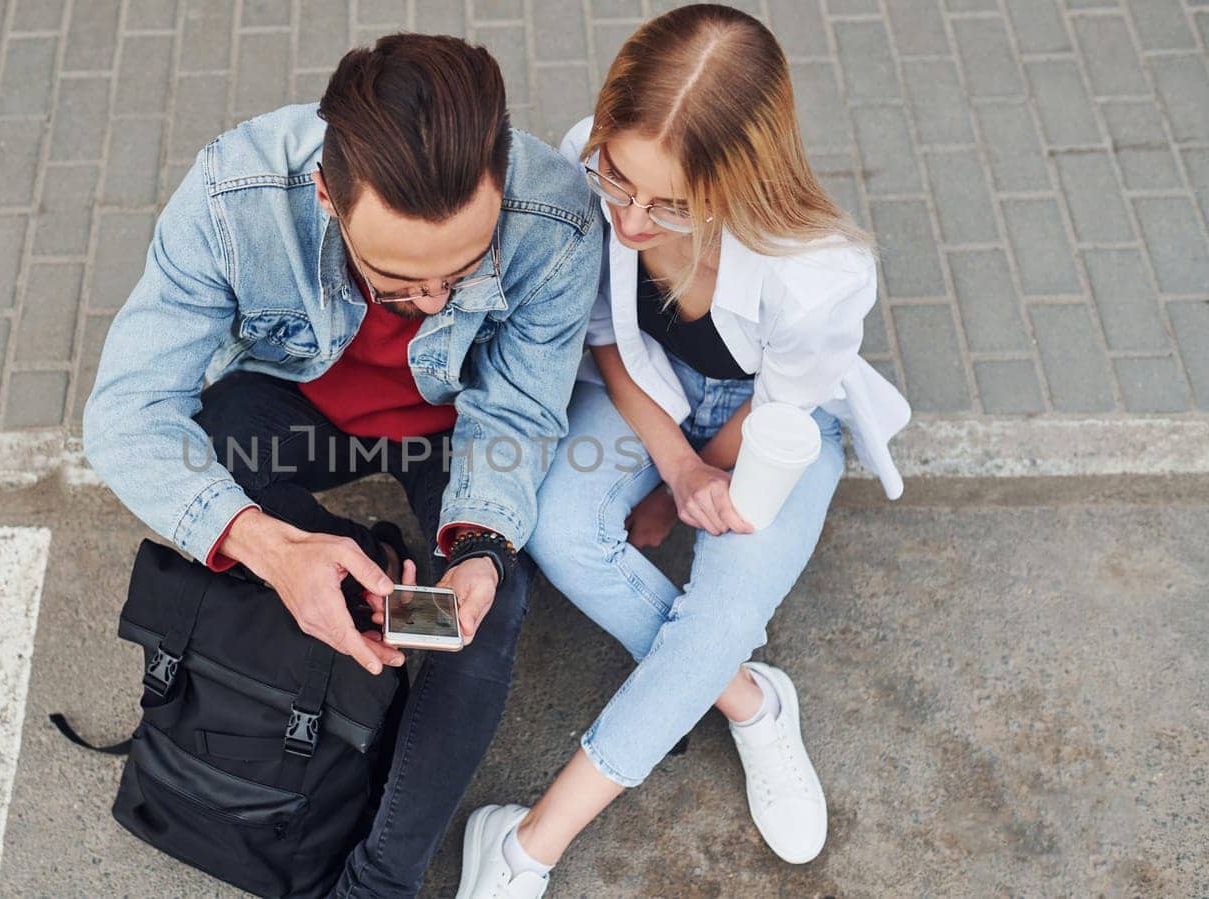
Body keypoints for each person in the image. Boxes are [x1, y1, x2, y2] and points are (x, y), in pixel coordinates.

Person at [82, 34, 601, 898]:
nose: (435, 302)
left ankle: (377, 883)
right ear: (327, 196)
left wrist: (478, 542)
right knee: (210, 447)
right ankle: (340, 554)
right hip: (298, 412)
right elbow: (126, 411)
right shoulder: (231, 193)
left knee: (495, 602)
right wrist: (269, 547)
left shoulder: (556, 218)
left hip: (451, 437)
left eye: (462, 271)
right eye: (399, 281)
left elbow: (513, 410)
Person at [455, 6, 912, 896]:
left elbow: (785, 408)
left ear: (743, 179)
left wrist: (705, 475)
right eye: (620, 181)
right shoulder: (596, 156)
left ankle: (525, 846)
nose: (631, 220)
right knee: (556, 526)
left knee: (723, 605)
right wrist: (673, 467)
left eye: (672, 204)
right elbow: (605, 336)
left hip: (776, 427)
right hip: (650, 387)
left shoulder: (820, 272)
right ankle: (747, 694)